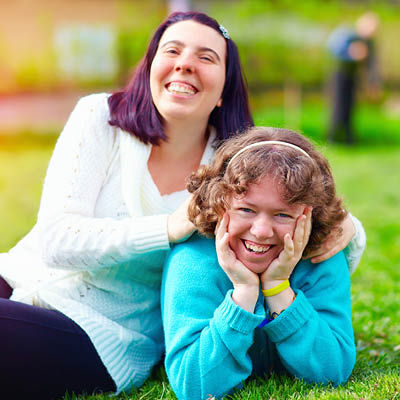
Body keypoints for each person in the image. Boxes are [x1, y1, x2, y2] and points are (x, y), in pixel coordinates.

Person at [0, 11, 363, 399]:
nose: (185, 63)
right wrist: (168, 226)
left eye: (207, 57)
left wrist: (349, 227)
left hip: (100, 327)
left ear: (225, 88)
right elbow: (56, 240)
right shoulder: (99, 117)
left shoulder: (231, 168)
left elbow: (286, 197)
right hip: (20, 277)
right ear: (150, 68)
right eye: (172, 50)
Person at [162, 127, 357, 400]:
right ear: (220, 203)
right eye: (246, 210)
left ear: (309, 216)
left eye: (282, 215)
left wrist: (278, 289)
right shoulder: (193, 261)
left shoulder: (321, 256)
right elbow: (194, 386)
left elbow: (331, 371)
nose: (262, 231)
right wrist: (243, 294)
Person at [327, 12, 380, 144]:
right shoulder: (346, 34)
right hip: (340, 74)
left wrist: (373, 83)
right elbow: (333, 49)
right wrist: (350, 54)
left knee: (351, 107)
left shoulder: (368, 42)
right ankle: (334, 137)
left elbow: (371, 63)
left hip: (353, 75)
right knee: (338, 106)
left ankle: (349, 137)